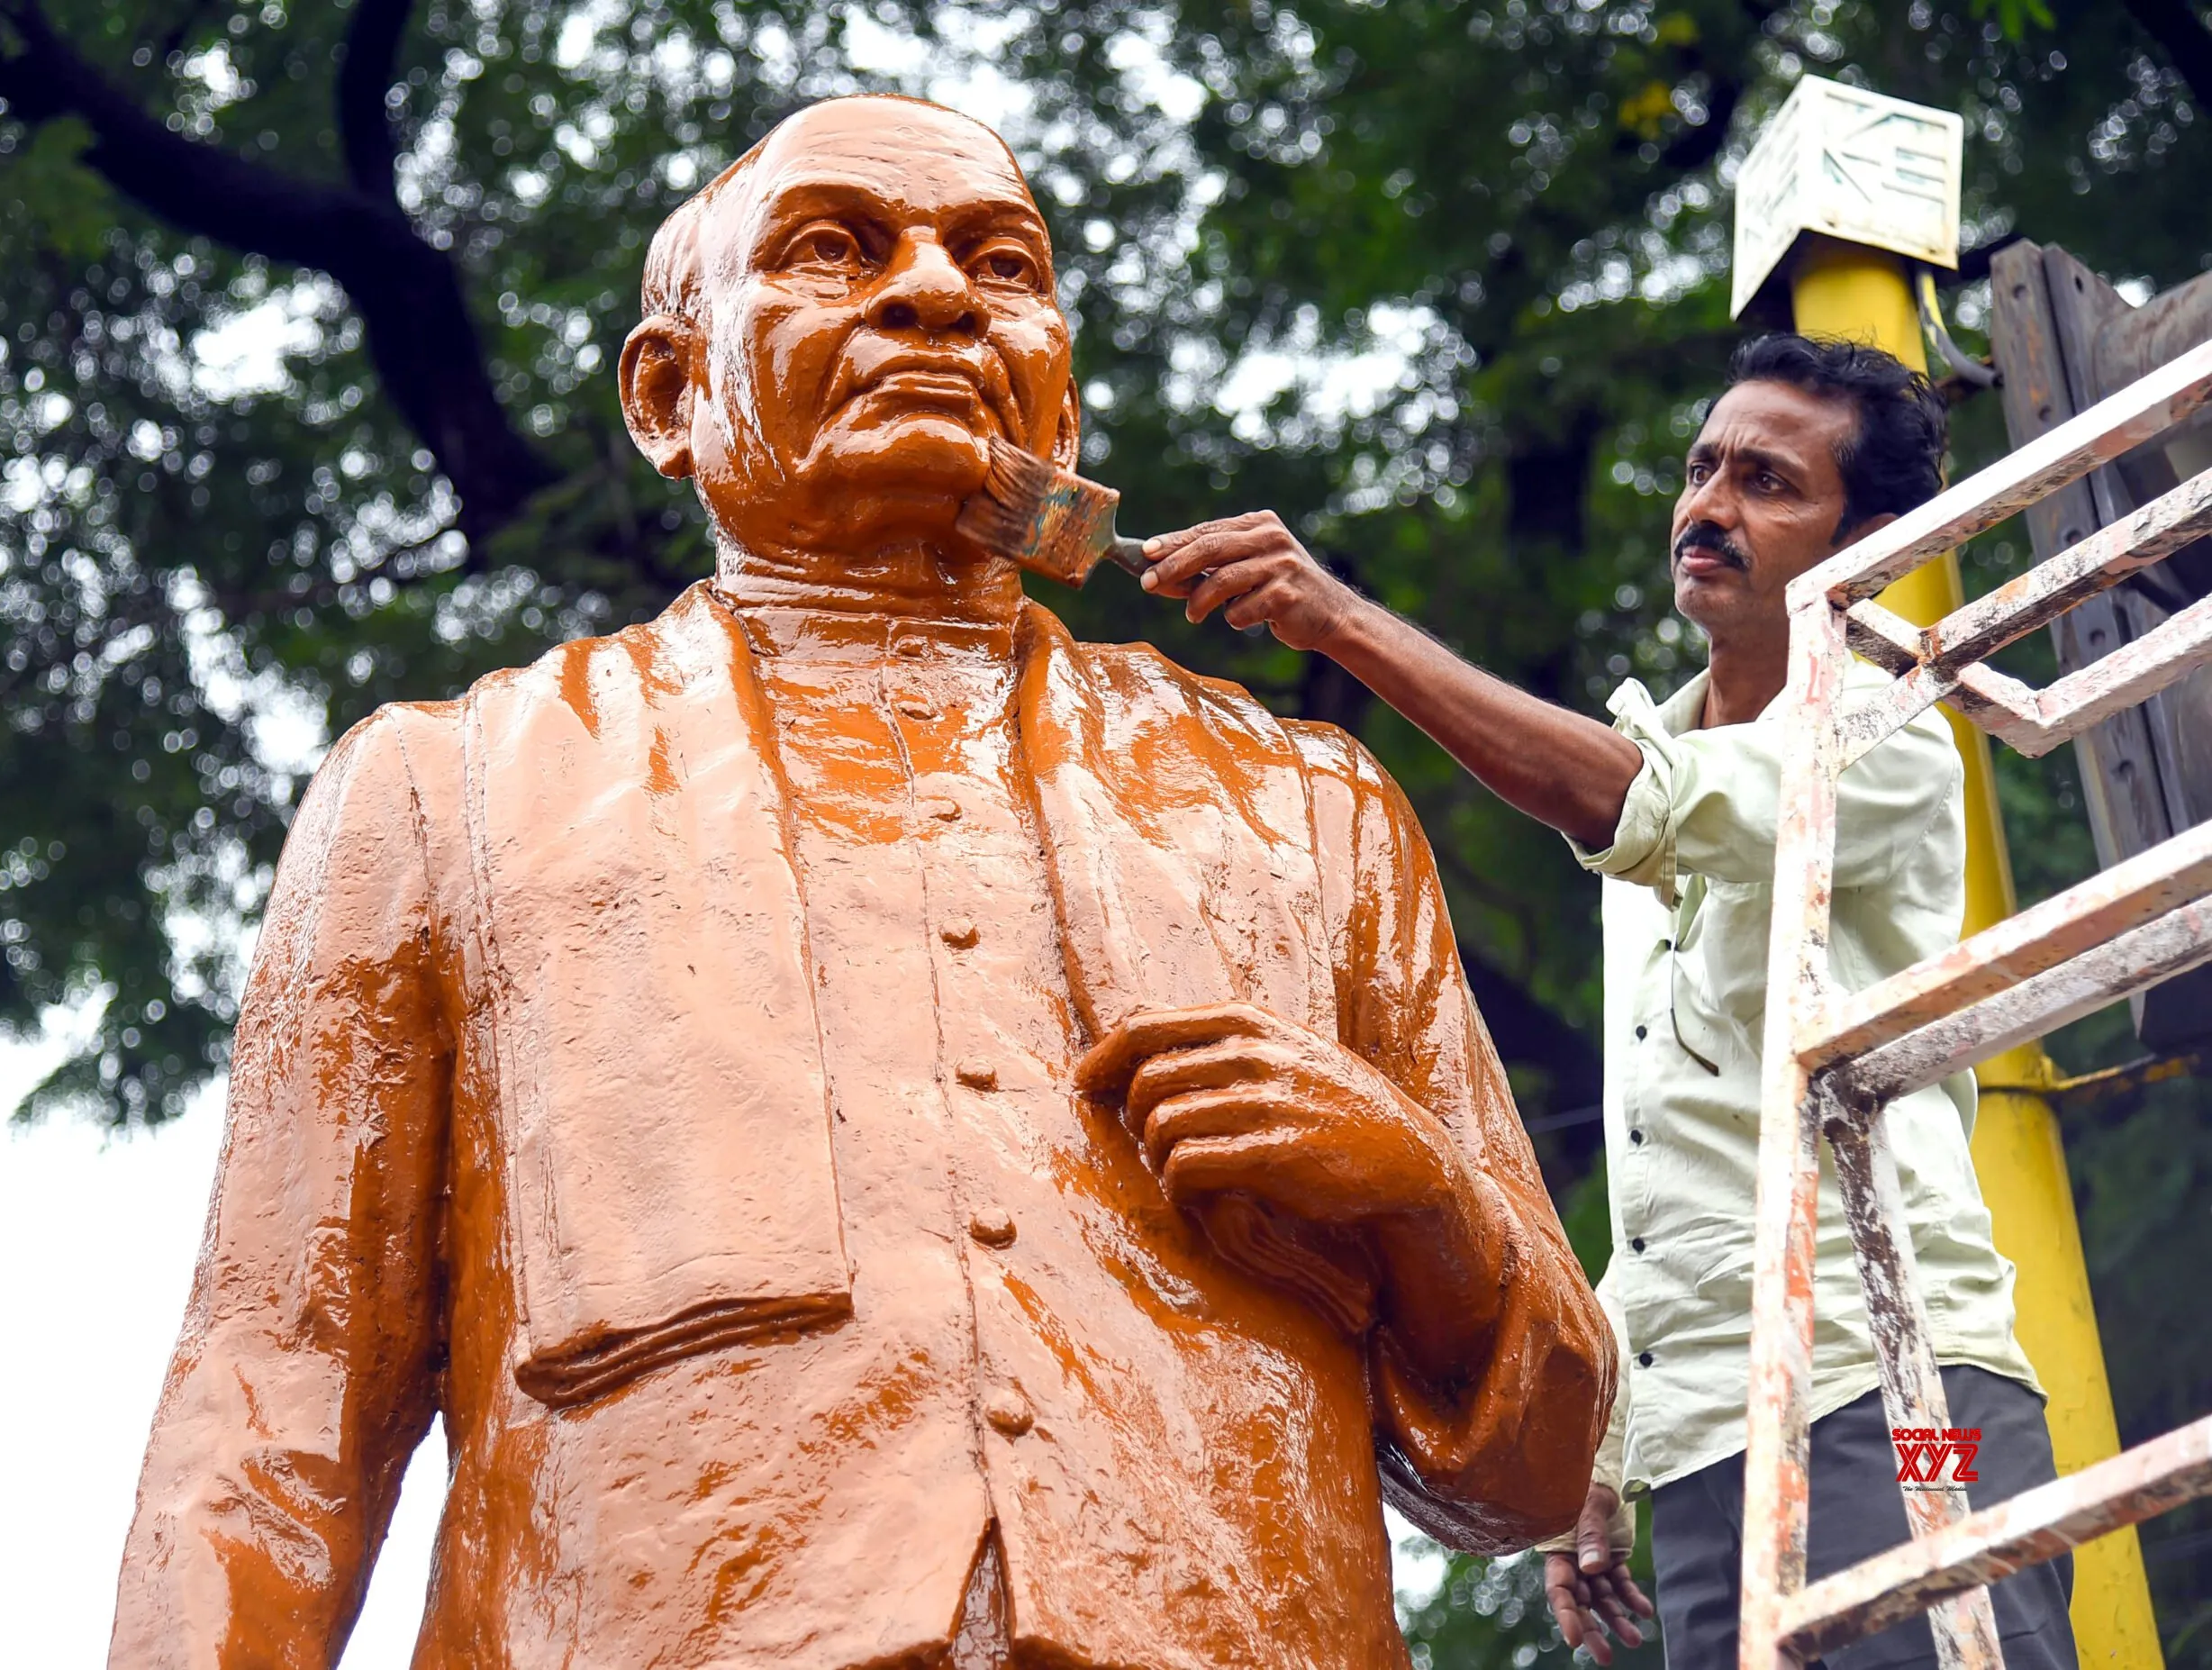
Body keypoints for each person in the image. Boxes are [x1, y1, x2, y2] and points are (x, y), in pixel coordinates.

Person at [109, 95, 1616, 1669]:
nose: (937, 293)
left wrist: (1428, 1199)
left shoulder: (1307, 806)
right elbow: (269, 1401)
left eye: (1001, 263)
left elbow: (1536, 1467)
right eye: (835, 249)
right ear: (670, 391)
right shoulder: (450, 791)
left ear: (1062, 402)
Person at [1138, 335, 2081, 1670]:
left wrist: (1335, 617)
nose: (1711, 506)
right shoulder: (1655, 778)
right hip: (1701, 1452)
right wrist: (1599, 1450)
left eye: (1768, 482)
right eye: (1703, 469)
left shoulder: (1886, 740)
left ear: (1867, 542)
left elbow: (1636, 803)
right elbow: (1668, 1171)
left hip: (1903, 1391)